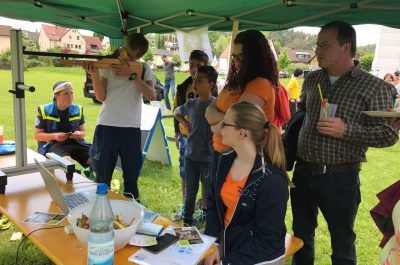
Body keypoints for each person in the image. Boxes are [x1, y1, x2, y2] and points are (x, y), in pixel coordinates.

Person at [292, 21, 399, 265]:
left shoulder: (374, 86)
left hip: (340, 179)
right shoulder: (312, 79)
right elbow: (304, 111)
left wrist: (345, 130)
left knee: (342, 244)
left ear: (346, 47)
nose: (317, 50)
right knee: (301, 238)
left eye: (325, 45)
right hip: (303, 173)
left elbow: (388, 134)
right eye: (317, 44)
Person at [204, 102, 290, 265]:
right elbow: (213, 204)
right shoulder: (224, 159)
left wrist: (227, 262)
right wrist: (212, 244)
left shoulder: (272, 181)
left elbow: (267, 241)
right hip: (228, 241)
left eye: (225, 123)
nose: (220, 127)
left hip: (259, 257)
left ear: (242, 133)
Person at [85, 33, 156, 202]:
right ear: (124, 47)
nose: (132, 58)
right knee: (102, 178)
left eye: (137, 57)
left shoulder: (144, 68)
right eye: (130, 54)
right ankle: (100, 212)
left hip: (131, 128)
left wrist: (131, 75)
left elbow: (151, 95)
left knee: (131, 178)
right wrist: (94, 73)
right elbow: (101, 96)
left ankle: (131, 213)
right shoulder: (108, 64)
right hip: (107, 126)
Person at [205, 29, 278, 185]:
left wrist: (218, 124)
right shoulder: (236, 81)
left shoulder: (260, 84)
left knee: (229, 204)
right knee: (216, 201)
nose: (236, 61)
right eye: (234, 56)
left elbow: (238, 124)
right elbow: (209, 111)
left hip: (240, 157)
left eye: (241, 56)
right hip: (222, 152)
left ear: (255, 58)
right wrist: (226, 121)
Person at [174, 65, 217, 226]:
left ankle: (206, 216)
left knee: (207, 191)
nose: (194, 83)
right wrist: (184, 121)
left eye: (199, 80)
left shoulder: (217, 105)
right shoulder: (192, 103)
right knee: (190, 192)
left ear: (210, 85)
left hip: (208, 158)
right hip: (191, 157)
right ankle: (187, 219)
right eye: (194, 80)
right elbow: (176, 111)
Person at [34, 81, 91, 168]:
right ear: (56, 96)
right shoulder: (44, 110)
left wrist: (79, 135)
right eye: (66, 94)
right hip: (54, 145)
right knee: (68, 164)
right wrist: (55, 136)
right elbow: (37, 136)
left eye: (71, 93)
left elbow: (83, 132)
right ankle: (71, 179)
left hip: (75, 143)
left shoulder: (78, 109)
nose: (70, 96)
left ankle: (95, 179)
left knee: (97, 159)